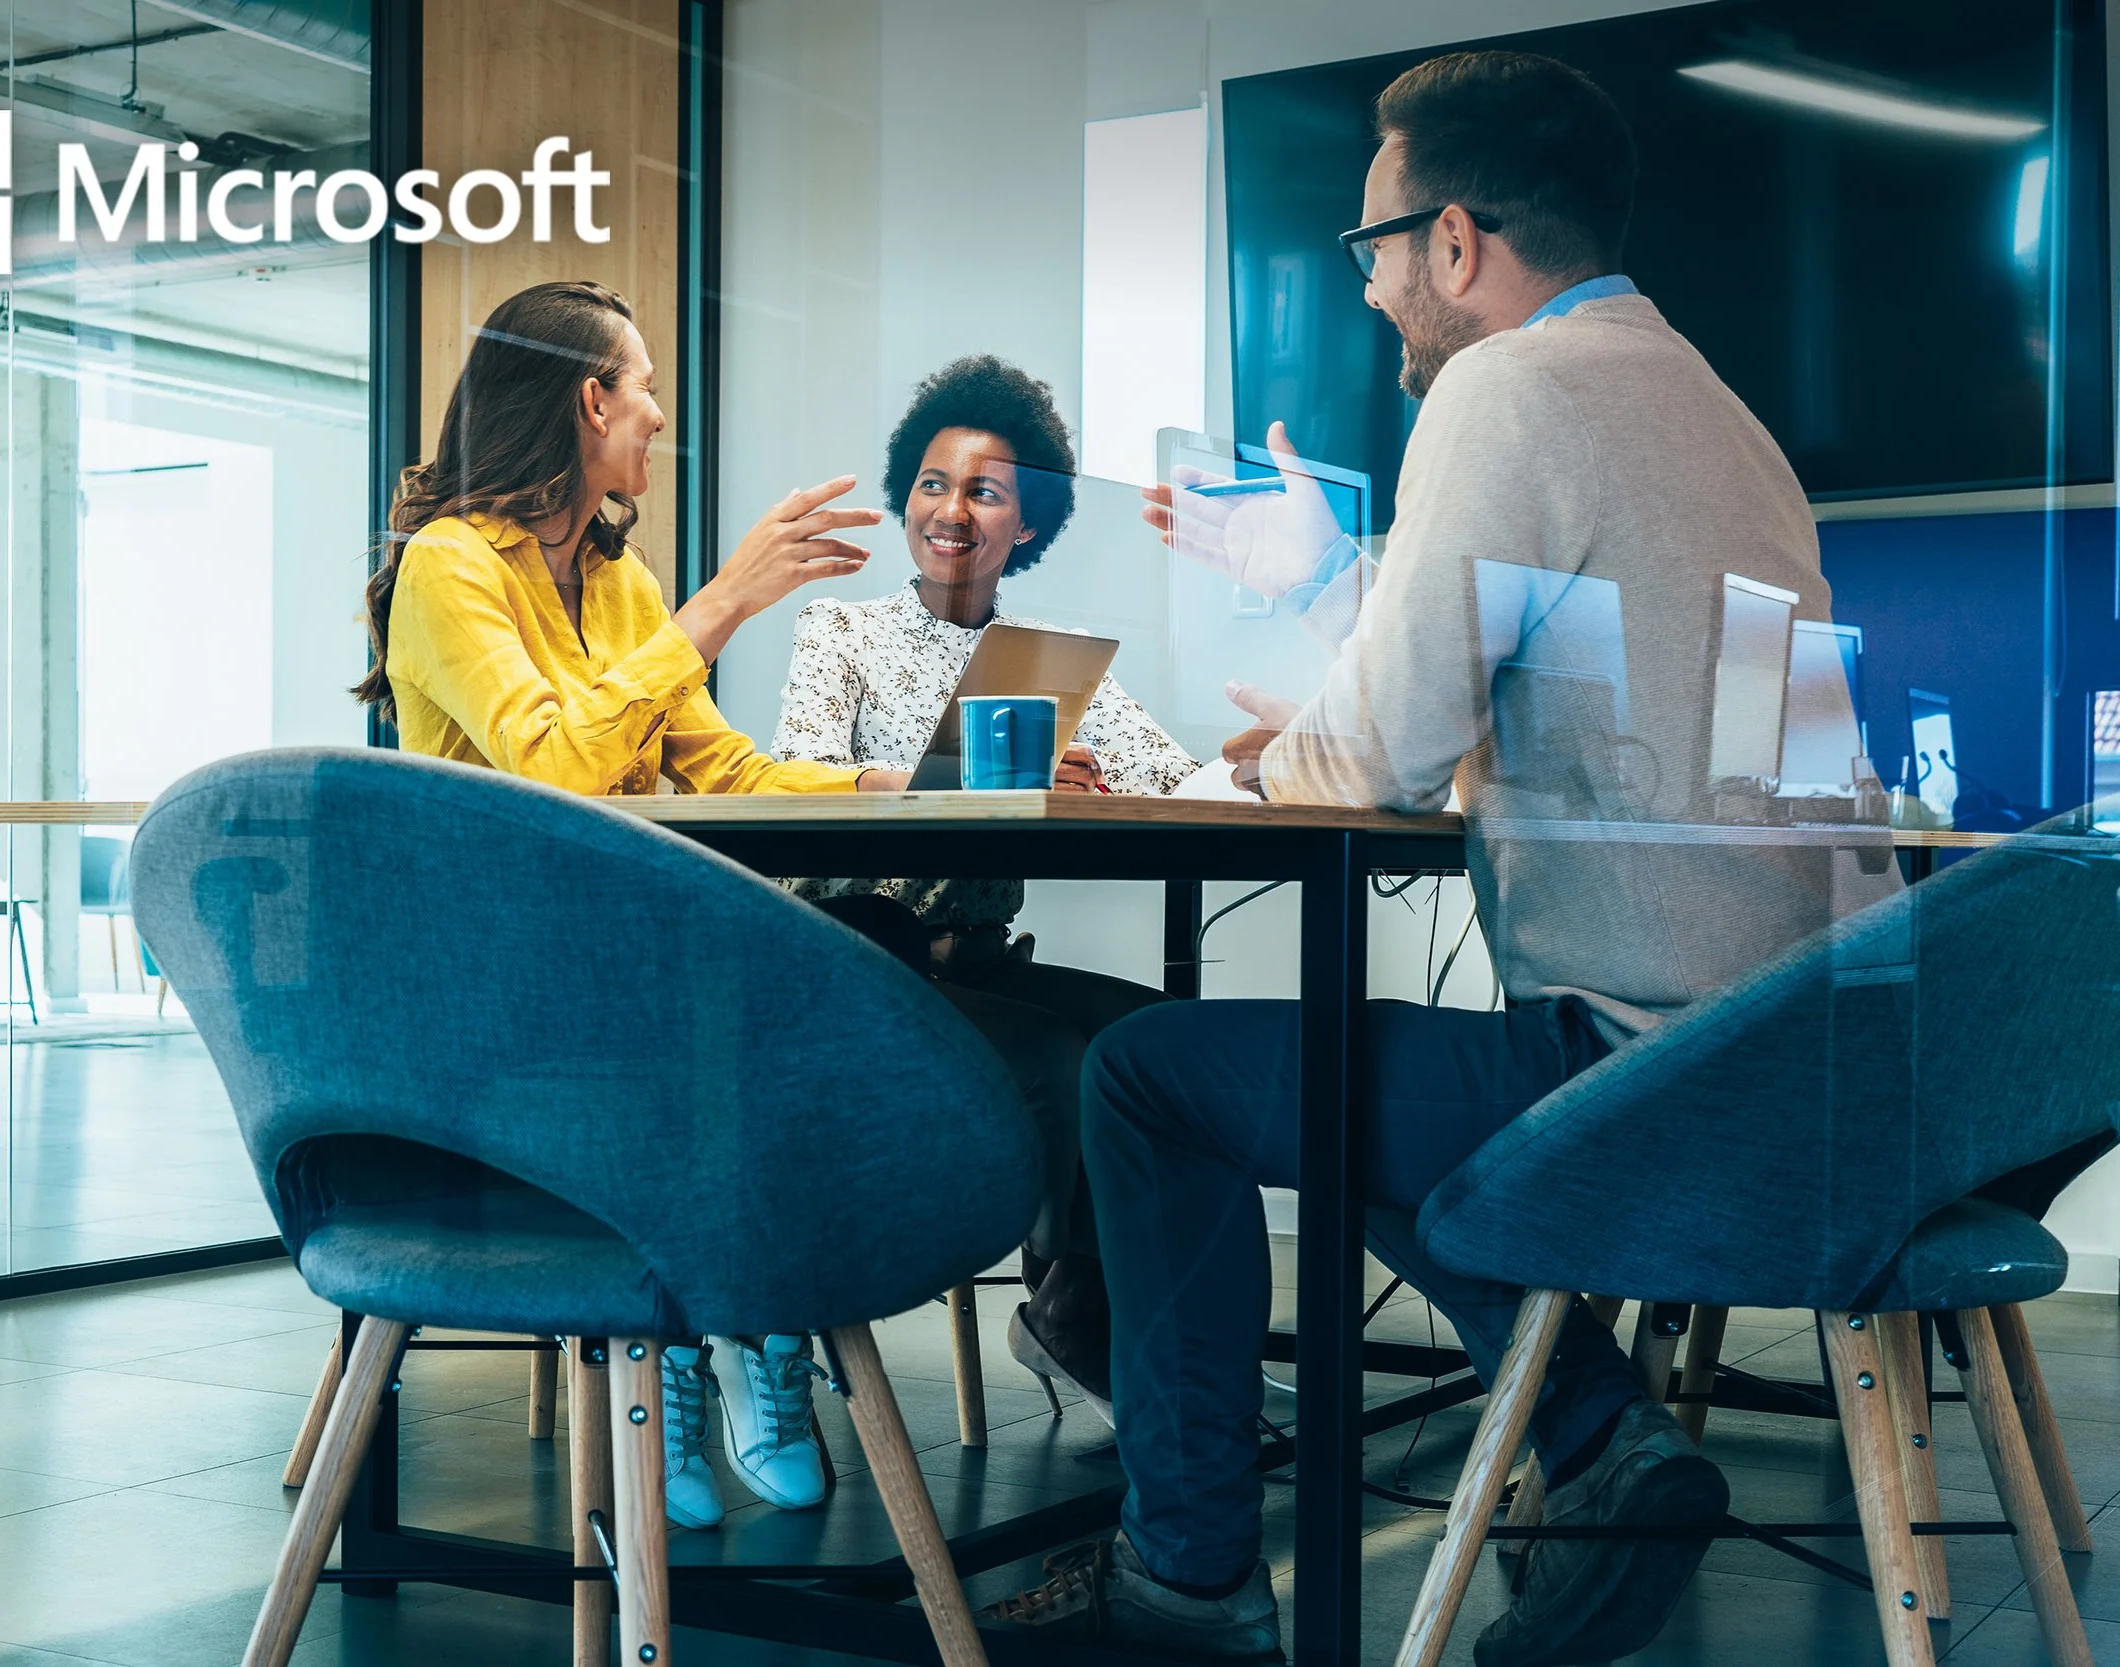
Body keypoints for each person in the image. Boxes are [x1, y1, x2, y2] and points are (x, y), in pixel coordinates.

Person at [995, 50, 1896, 1662]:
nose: (1370, 294)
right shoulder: (1720, 416)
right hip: (1816, 1065)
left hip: (1650, 1076)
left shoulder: (1505, 387)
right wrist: (1345, 597)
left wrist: (1288, 744)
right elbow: (1641, 713)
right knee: (1365, 1078)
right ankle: (1600, 1437)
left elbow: (1378, 749)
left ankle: (1190, 1574)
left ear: (1458, 240)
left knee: (1145, 1074)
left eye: (1373, 252)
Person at [355, 279, 908, 1533]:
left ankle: (747, 1327)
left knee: (814, 998)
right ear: (589, 400)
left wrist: (882, 779)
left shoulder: (618, 582)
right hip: (505, 981)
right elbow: (555, 764)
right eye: (644, 386)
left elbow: (723, 768)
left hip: (635, 954)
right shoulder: (448, 568)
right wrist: (721, 605)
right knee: (734, 1025)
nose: (658, 413)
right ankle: (664, 1340)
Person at [772, 355, 1195, 1423]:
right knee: (1063, 1060)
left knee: (1163, 1041)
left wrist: (1260, 756)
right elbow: (799, 775)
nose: (949, 508)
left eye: (983, 491)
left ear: (1028, 526)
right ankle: (1068, 1313)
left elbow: (1180, 780)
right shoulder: (840, 633)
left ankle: (1094, 1311)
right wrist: (986, 774)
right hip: (851, 959)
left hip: (977, 962)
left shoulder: (1044, 663)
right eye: (930, 482)